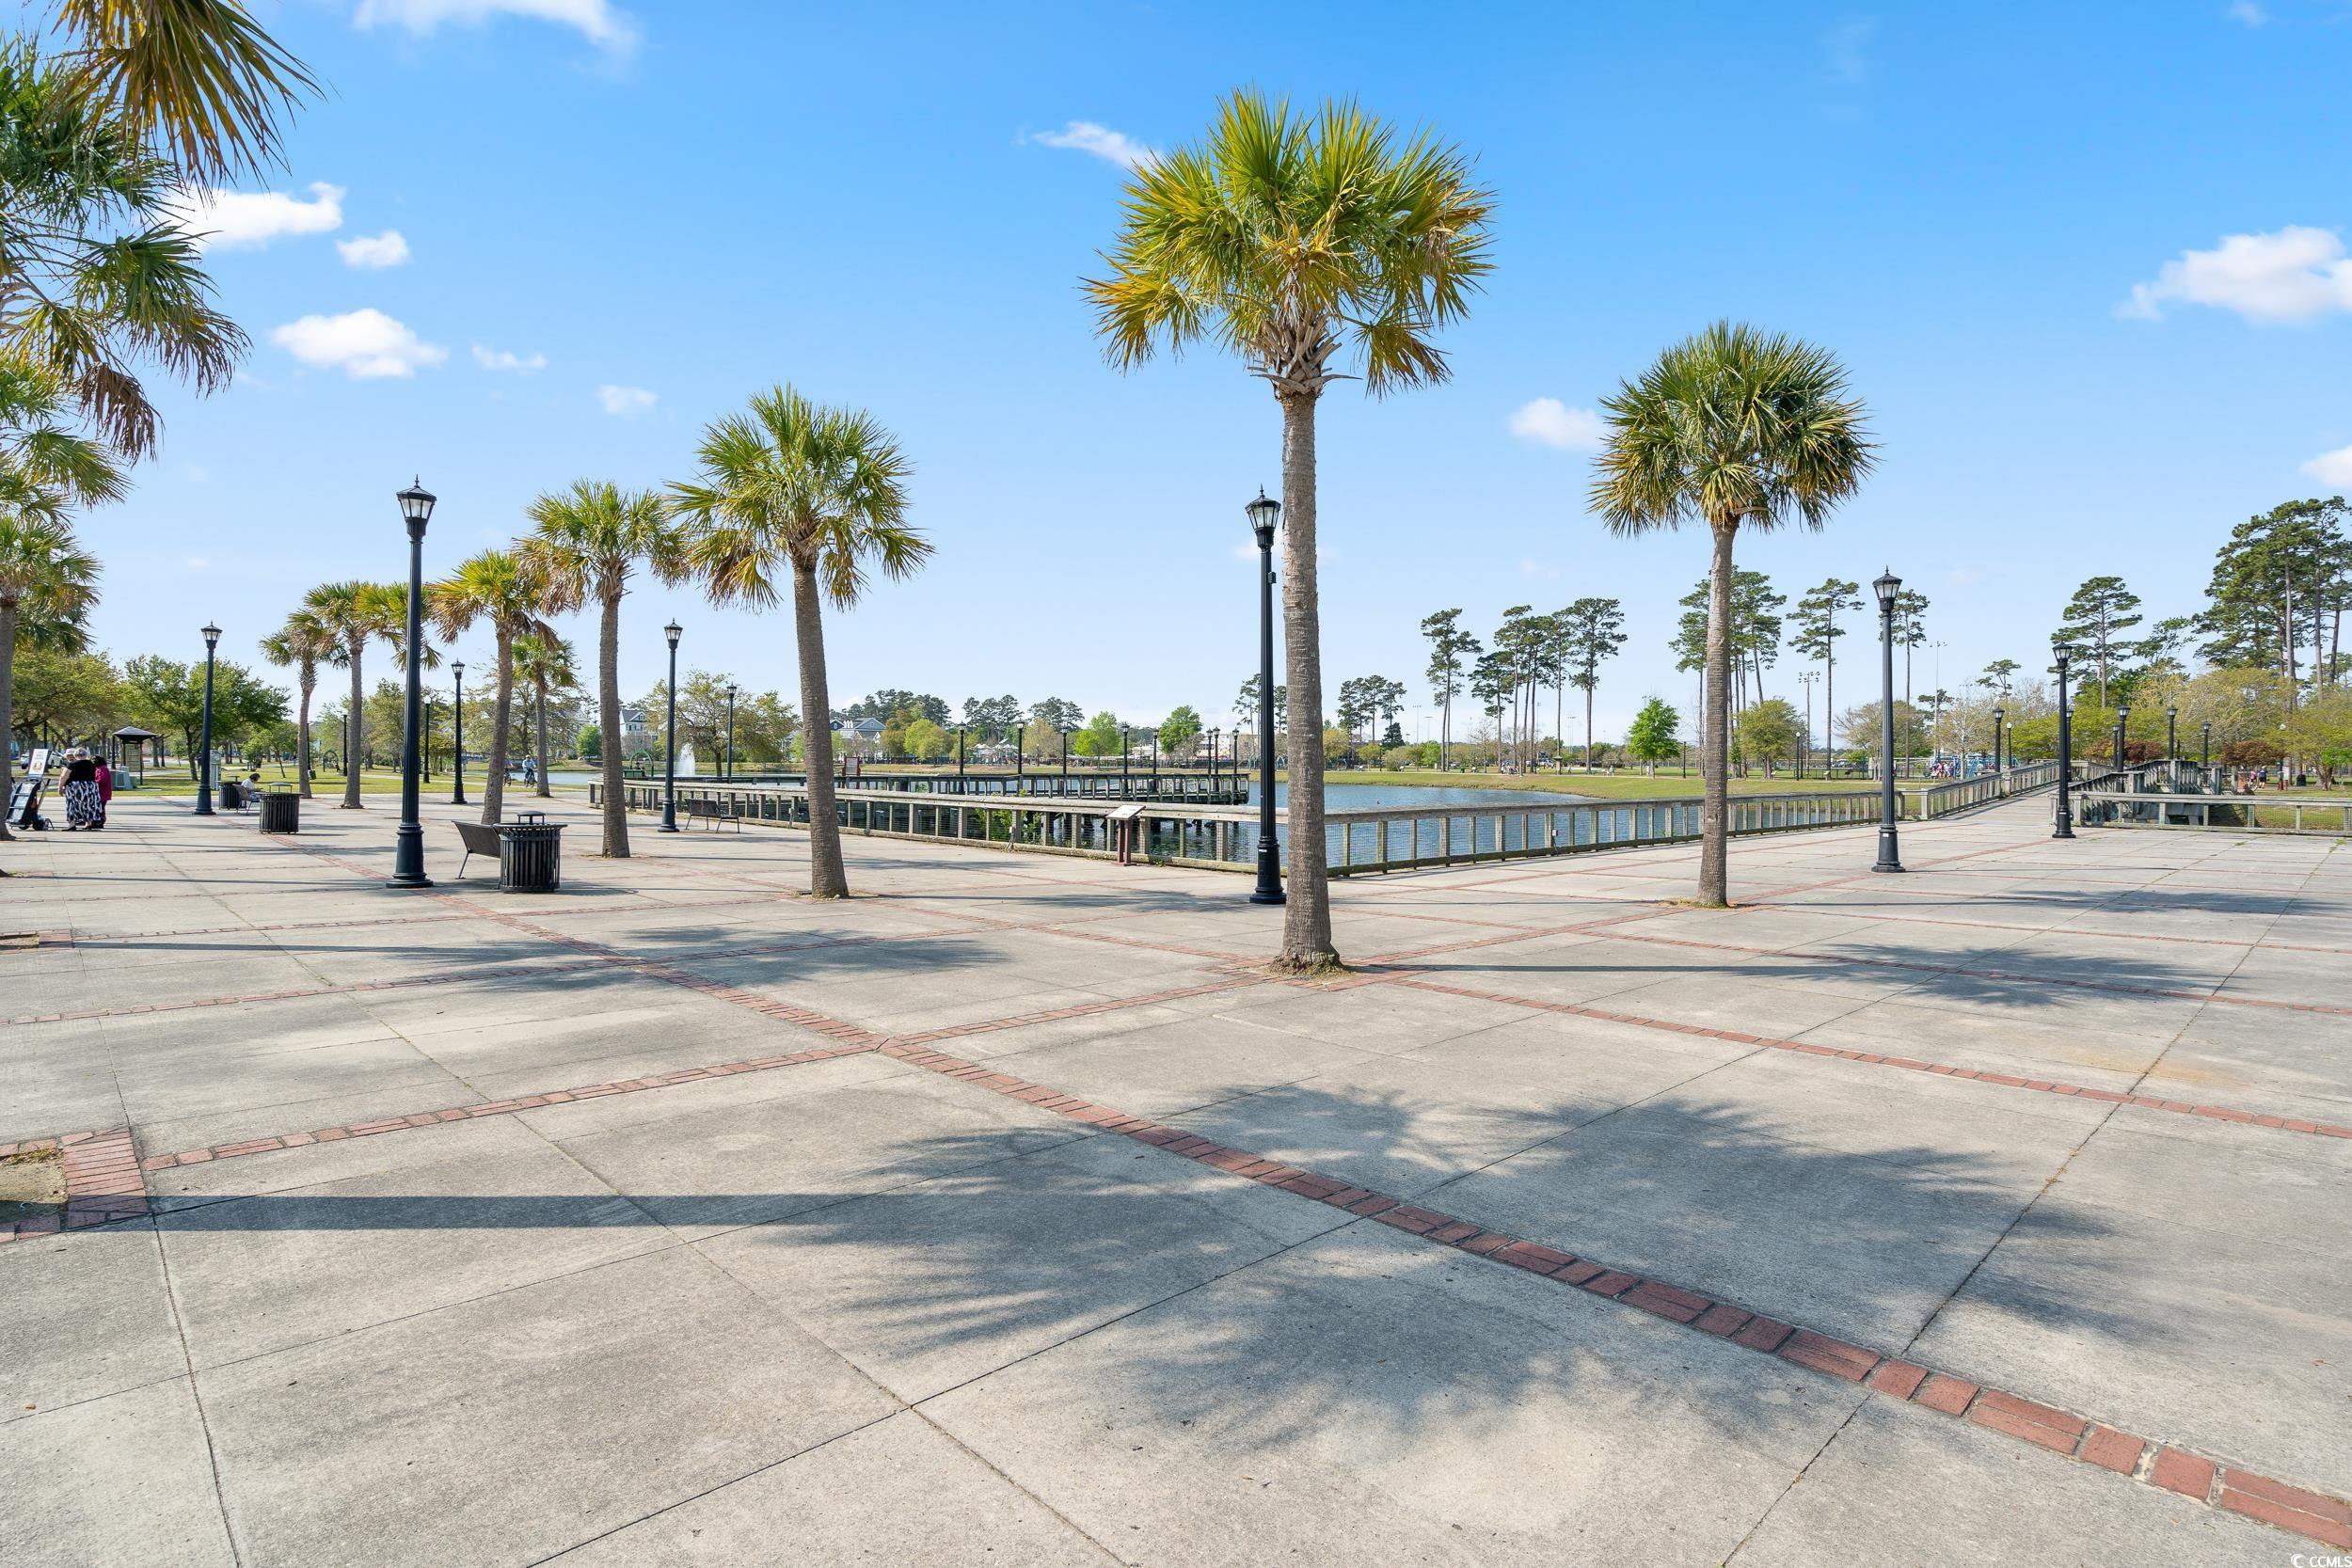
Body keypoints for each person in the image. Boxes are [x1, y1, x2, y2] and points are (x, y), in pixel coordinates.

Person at [61, 748, 101, 831]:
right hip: (90, 786)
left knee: (72, 804)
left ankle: (72, 824)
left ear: (75, 755)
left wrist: (60, 787)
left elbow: (64, 776)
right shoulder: (92, 764)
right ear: (86, 755)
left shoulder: (72, 764)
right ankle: (88, 823)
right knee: (88, 804)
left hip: (75, 786)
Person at [93, 752, 112, 829]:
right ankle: (98, 821)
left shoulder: (103, 769)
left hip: (102, 793)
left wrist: (93, 781)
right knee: (98, 807)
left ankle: (100, 822)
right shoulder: (98, 769)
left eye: (95, 760)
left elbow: (103, 780)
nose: (93, 761)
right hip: (99, 792)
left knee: (100, 808)